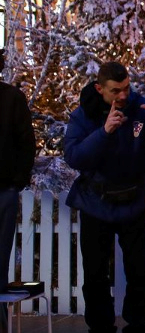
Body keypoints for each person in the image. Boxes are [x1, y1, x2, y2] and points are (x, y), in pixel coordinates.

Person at [63, 62, 145, 333]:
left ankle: (137, 325)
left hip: (135, 200)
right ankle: (101, 326)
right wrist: (104, 132)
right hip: (96, 202)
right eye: (115, 90)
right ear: (100, 88)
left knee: (138, 270)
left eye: (126, 88)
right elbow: (74, 157)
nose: (123, 95)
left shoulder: (142, 108)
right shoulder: (84, 115)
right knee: (95, 273)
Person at [1, 48, 34, 323]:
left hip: (5, 188)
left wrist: (17, 181)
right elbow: (26, 143)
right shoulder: (13, 98)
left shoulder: (12, 99)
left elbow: (26, 144)